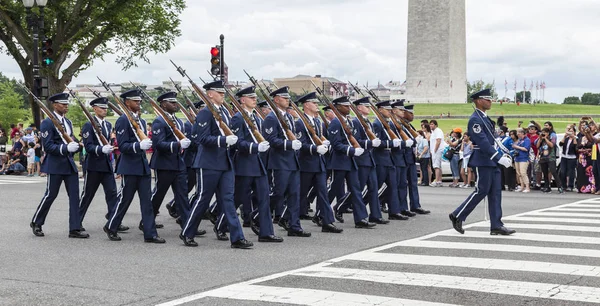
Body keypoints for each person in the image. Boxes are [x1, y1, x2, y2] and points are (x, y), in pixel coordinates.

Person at [180, 80, 253, 248]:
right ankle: (187, 232)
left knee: (228, 200)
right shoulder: (205, 113)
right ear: (210, 94)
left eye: (223, 92)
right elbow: (201, 138)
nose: (223, 95)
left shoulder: (225, 113)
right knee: (202, 199)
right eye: (219, 92)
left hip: (225, 162)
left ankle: (237, 237)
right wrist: (223, 140)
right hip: (208, 162)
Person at [449, 88, 515, 236]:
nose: (490, 101)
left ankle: (496, 224)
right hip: (483, 160)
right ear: (479, 101)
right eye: (487, 99)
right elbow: (483, 143)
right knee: (481, 190)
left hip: (491, 160)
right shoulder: (475, 120)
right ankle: (457, 215)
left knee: (495, 193)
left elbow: (493, 141)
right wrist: (499, 157)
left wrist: (503, 154)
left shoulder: (485, 118)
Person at [104, 89, 164, 243]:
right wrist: (139, 146)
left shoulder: (141, 121)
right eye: (135, 100)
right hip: (129, 166)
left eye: (139, 100)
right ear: (127, 103)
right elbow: (123, 146)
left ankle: (150, 234)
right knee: (125, 200)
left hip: (142, 166)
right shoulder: (123, 120)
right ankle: (111, 226)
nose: (138, 102)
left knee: (147, 202)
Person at [226, 85, 284, 242]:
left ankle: (266, 233)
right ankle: (221, 225)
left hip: (258, 164)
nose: (254, 100)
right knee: (238, 198)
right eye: (251, 98)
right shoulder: (238, 118)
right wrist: (255, 147)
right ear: (242, 100)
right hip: (244, 164)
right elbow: (237, 143)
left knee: (264, 198)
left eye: (255, 97)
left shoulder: (256, 118)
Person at [30, 93, 87, 238]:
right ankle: (37, 222)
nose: (66, 106)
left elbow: (71, 138)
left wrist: (77, 145)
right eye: (63, 104)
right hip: (55, 164)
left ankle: (74, 227)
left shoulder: (67, 122)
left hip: (69, 164)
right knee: (51, 195)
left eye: (67, 104)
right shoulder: (47, 123)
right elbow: (48, 146)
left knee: (74, 196)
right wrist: (65, 148)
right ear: (55, 105)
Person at [261, 86, 311, 237]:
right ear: (276, 100)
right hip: (279, 162)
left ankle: (294, 226)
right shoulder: (271, 118)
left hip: (292, 161)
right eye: (285, 98)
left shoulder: (288, 117)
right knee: (278, 194)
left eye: (288, 97)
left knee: (294, 195)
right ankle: (258, 216)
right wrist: (289, 144)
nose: (288, 100)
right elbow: (270, 140)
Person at [295, 91, 344, 232]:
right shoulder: (300, 123)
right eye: (314, 103)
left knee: (323, 193)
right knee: (300, 194)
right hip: (306, 164)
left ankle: (327, 222)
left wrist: (324, 143)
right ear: (306, 105)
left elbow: (320, 137)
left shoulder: (317, 121)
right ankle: (287, 218)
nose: (317, 105)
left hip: (319, 164)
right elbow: (300, 145)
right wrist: (315, 148)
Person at [78, 97, 128, 232]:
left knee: (112, 194)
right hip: (93, 165)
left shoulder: (107, 125)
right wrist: (101, 149)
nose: (105, 110)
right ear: (94, 109)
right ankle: (76, 221)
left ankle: (114, 221)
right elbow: (88, 147)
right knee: (87, 195)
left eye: (106, 108)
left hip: (106, 165)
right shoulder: (89, 125)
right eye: (102, 108)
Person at [327, 95, 377, 228]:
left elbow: (350, 138)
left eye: (349, 105)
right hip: (339, 162)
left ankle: (360, 219)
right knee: (333, 190)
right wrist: (352, 150)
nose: (348, 108)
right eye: (345, 106)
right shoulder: (336, 122)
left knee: (356, 190)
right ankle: (321, 214)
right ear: (338, 107)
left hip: (350, 161)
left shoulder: (347, 121)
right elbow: (336, 144)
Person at [148, 91, 192, 236]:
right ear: (163, 105)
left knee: (183, 196)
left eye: (175, 102)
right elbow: (158, 144)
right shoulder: (159, 121)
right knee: (158, 195)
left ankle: (187, 227)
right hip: (164, 164)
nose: (175, 104)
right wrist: (177, 144)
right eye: (171, 103)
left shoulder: (178, 121)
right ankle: (147, 221)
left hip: (178, 163)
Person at [371, 100, 406, 221]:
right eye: (387, 110)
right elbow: (377, 142)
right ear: (380, 110)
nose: (390, 112)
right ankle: (372, 213)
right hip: (380, 158)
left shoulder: (387, 123)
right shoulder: (376, 124)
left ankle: (394, 211)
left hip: (388, 158)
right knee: (376, 187)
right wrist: (391, 143)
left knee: (393, 186)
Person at [536, 127, 563, 193]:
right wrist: (540, 139)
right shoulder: (541, 139)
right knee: (545, 173)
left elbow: (551, 145)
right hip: (543, 158)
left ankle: (560, 186)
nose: (544, 134)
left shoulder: (551, 138)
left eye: (545, 132)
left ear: (548, 133)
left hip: (551, 157)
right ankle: (547, 186)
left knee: (553, 171)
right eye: (543, 132)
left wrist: (545, 138)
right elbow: (537, 146)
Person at [576, 121, 596, 193]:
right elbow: (577, 147)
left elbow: (593, 145)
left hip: (589, 157)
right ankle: (581, 187)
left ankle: (590, 187)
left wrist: (588, 150)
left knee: (589, 173)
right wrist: (580, 150)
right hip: (582, 158)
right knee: (581, 172)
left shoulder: (591, 137)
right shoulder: (581, 138)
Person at [559, 124, 577, 192]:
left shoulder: (576, 139)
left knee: (571, 172)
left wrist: (574, 138)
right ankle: (564, 185)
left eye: (572, 131)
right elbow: (560, 144)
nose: (570, 133)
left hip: (572, 157)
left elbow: (576, 148)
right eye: (569, 131)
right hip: (564, 157)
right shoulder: (566, 138)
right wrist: (564, 136)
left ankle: (570, 185)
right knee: (562, 171)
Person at [512, 128, 531, 192]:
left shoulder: (527, 140)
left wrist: (517, 147)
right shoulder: (519, 140)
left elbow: (526, 149)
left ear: (522, 133)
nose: (518, 134)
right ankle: (522, 186)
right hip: (518, 158)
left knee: (523, 172)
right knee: (519, 173)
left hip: (524, 158)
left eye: (519, 133)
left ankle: (527, 187)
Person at [429, 119, 447, 187]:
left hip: (437, 150)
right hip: (434, 151)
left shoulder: (438, 131)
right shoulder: (433, 132)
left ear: (436, 125)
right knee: (437, 166)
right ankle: (439, 180)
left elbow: (438, 141)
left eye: (432, 124)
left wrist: (435, 150)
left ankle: (437, 180)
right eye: (430, 124)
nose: (431, 125)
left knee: (436, 166)